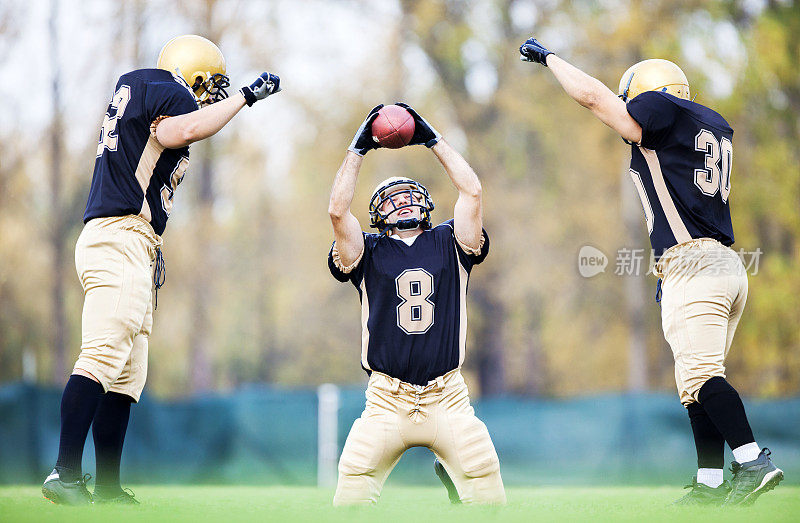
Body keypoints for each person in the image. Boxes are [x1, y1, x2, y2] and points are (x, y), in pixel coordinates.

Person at [519, 38, 783, 506]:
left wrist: (550, 59)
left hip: (693, 262)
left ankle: (752, 461)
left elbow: (595, 99)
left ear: (649, 94)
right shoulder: (710, 123)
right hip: (722, 265)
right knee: (694, 384)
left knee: (702, 375)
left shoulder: (659, 110)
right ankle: (709, 486)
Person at [41, 34, 281, 505]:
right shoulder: (169, 90)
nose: (211, 95)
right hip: (122, 236)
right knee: (102, 357)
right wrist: (245, 97)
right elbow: (178, 132)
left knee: (128, 375)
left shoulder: (144, 90)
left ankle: (106, 487)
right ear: (191, 74)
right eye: (210, 85)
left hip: (131, 244)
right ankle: (64, 474)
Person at [327, 103, 506, 506]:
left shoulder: (450, 241)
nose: (403, 202)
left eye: (410, 196)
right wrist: (357, 150)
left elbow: (472, 191)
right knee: (350, 498)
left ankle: (456, 481)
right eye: (392, 199)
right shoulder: (368, 251)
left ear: (426, 205)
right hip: (387, 399)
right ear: (377, 215)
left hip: (448, 394)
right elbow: (338, 211)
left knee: (489, 498)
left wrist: (433, 139)